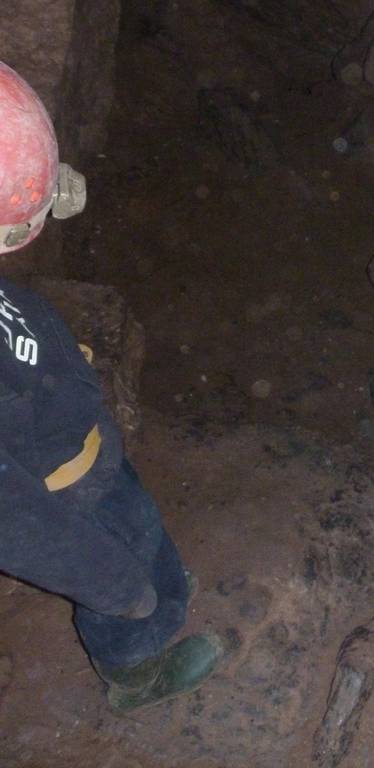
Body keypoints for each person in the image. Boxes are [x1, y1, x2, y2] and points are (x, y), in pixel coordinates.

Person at [0, 60, 222, 713]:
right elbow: (19, 525)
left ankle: (159, 587)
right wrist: (114, 584)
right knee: (128, 576)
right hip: (68, 494)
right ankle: (134, 670)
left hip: (86, 451)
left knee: (143, 526)